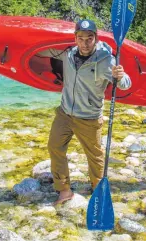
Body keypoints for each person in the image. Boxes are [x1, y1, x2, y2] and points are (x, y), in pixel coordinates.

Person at [38, 19, 132, 205]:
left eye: (89, 38)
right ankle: (64, 190)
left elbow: (126, 84)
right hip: (65, 112)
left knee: (95, 156)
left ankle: (98, 189)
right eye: (81, 38)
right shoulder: (68, 54)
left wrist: (121, 77)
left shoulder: (106, 60)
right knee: (55, 147)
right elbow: (38, 51)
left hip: (89, 117)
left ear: (95, 38)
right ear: (75, 38)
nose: (85, 42)